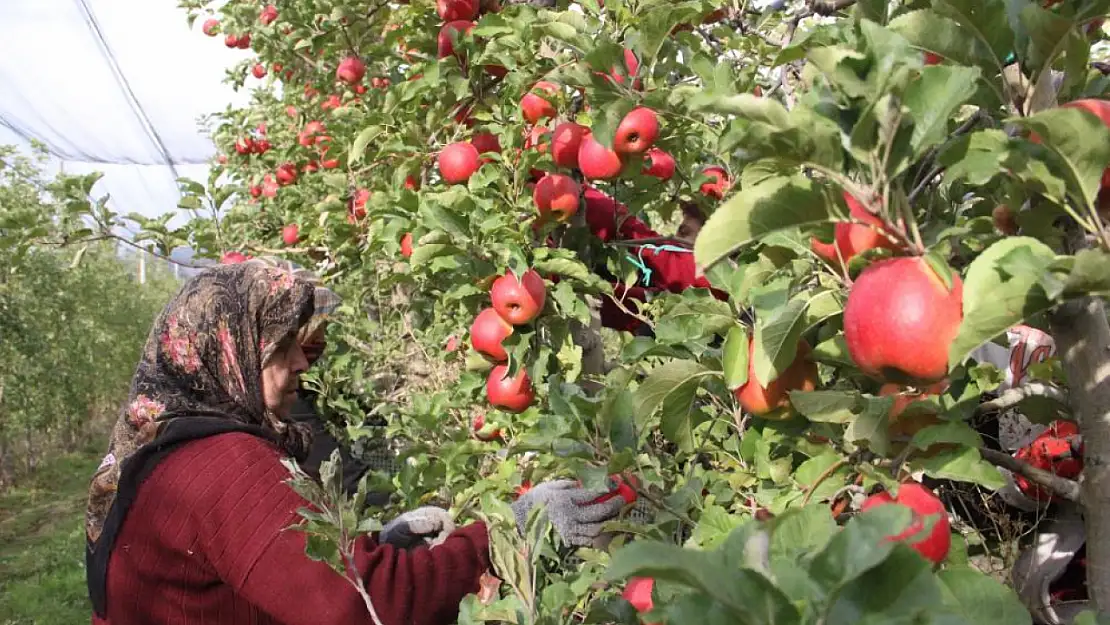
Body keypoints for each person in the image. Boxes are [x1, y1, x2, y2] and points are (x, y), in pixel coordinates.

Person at [85, 261, 626, 625]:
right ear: (227, 346)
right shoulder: (226, 464)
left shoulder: (161, 446)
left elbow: (252, 571)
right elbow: (362, 607)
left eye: (306, 349)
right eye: (282, 348)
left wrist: (372, 548)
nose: (302, 364)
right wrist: (513, 528)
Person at [579, 186, 727, 335]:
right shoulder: (669, 305)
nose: (675, 241)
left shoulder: (721, 281)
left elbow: (671, 260)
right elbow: (617, 305)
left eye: (684, 233)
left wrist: (578, 194)